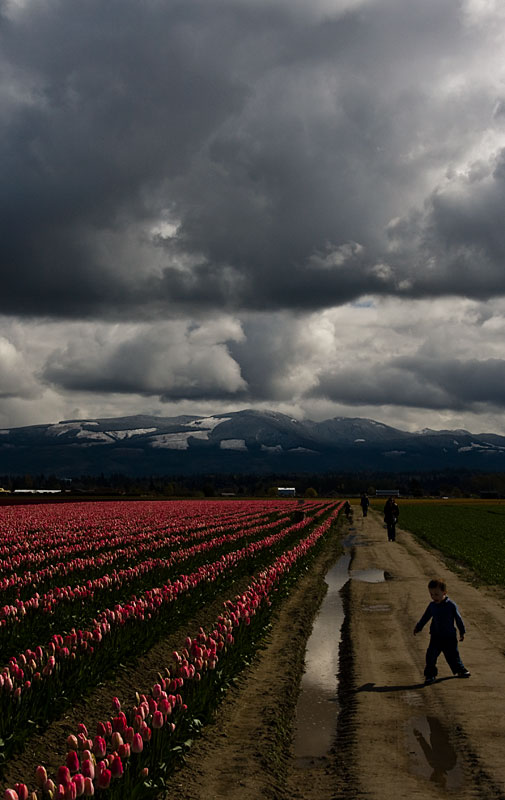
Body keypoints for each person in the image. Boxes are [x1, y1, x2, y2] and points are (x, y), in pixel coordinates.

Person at [413, 578, 470, 684]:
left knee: (453, 655)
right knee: (431, 655)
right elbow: (425, 617)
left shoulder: (451, 605)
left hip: (449, 637)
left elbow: (458, 619)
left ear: (444, 593)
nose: (434, 597)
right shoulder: (432, 606)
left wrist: (462, 632)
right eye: (431, 594)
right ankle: (430, 675)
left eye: (436, 594)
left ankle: (460, 670)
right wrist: (418, 627)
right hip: (436, 636)